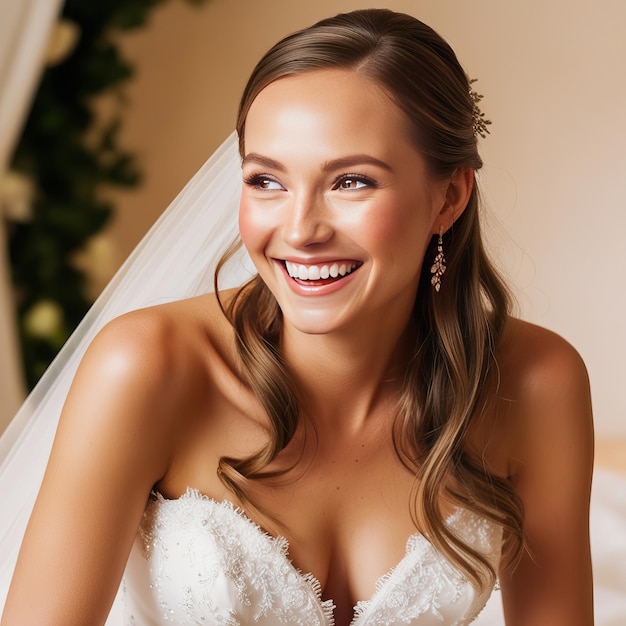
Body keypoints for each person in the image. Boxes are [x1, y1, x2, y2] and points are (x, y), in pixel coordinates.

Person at [0, 8, 594, 626]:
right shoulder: (145, 367)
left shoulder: (536, 383)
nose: (301, 229)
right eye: (266, 180)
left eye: (352, 182)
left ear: (449, 196)